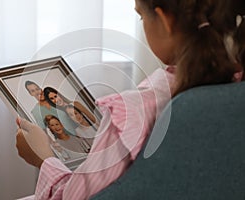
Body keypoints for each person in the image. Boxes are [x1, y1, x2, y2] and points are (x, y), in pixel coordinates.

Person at [16, 0, 245, 199]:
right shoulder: (235, 87)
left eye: (141, 16)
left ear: (165, 21)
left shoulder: (134, 111)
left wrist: (44, 159)